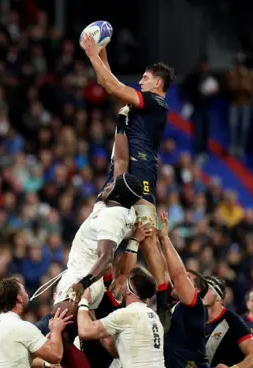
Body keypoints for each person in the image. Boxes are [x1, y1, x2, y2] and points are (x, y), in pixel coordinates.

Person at [80, 32, 174, 302]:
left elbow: (112, 87)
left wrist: (91, 53)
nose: (140, 81)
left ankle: (165, 298)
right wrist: (102, 50)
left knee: (148, 236)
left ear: (157, 82)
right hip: (119, 169)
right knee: (108, 230)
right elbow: (106, 80)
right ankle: (107, 292)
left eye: (144, 78)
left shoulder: (155, 102)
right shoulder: (142, 105)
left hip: (141, 170)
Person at [49, 173, 144, 368]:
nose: (108, 186)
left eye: (114, 185)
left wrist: (82, 294)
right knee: (60, 340)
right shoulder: (109, 211)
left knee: (56, 334)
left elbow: (116, 269)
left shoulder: (110, 290)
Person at [156, 212, 219, 368]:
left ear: (197, 292)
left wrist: (164, 238)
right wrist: (147, 239)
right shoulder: (167, 306)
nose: (180, 282)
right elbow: (159, 268)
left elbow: (177, 273)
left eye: (190, 281)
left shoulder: (193, 306)